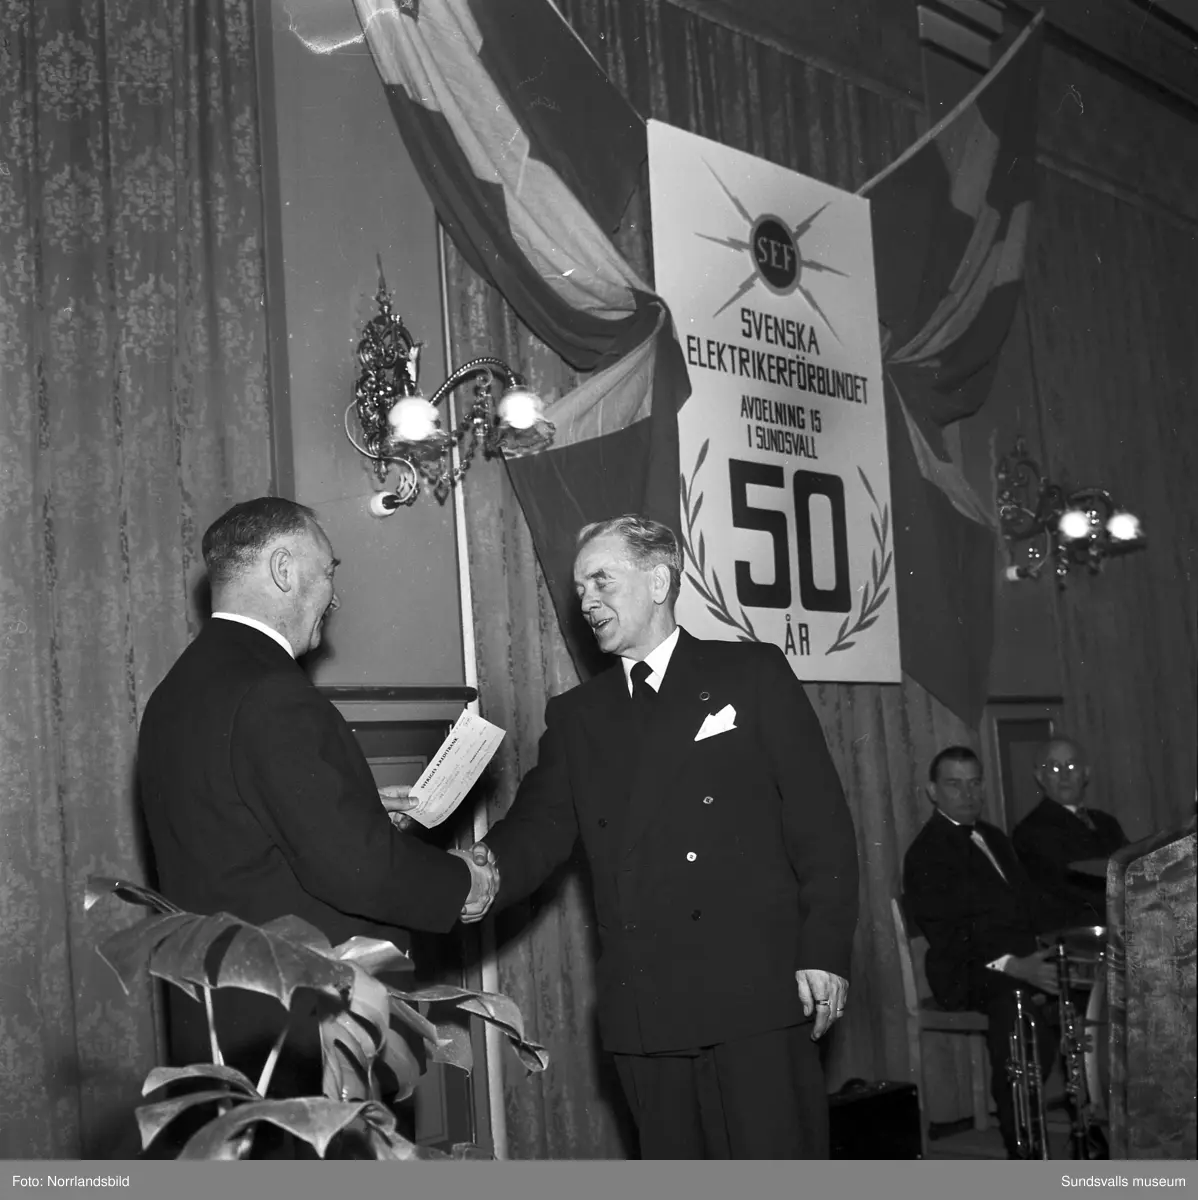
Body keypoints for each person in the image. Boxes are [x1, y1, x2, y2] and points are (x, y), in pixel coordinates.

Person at [424, 514, 860, 1159]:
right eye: (580, 589)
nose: (587, 601)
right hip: (646, 1003)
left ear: (659, 581)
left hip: (755, 992)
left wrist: (822, 948)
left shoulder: (751, 675)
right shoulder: (578, 716)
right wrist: (473, 875)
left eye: (602, 580)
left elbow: (822, 826)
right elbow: (538, 829)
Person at [137, 498, 497, 1112]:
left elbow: (241, 831)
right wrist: (464, 879)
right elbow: (353, 868)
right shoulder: (274, 692)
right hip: (307, 1039)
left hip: (225, 1027)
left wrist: (356, 807)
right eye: (328, 570)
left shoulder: (175, 693)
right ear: (284, 570)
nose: (334, 594)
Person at [902, 745, 1067, 1159]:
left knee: (1092, 988)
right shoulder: (927, 852)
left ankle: (1087, 1120)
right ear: (932, 792)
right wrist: (1019, 968)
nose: (968, 794)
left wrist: (1053, 946)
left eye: (974, 783)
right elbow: (953, 937)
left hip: (1018, 960)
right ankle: (1023, 1147)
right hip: (966, 970)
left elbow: (1029, 905)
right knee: (1018, 1008)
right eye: (955, 785)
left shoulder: (993, 835)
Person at [1012, 737, 1129, 924]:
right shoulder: (1031, 831)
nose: (1064, 776)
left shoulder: (1106, 822)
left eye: (1072, 767)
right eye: (1055, 768)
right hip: (1078, 934)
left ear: (1086, 774)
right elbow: (1069, 891)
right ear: (1040, 777)